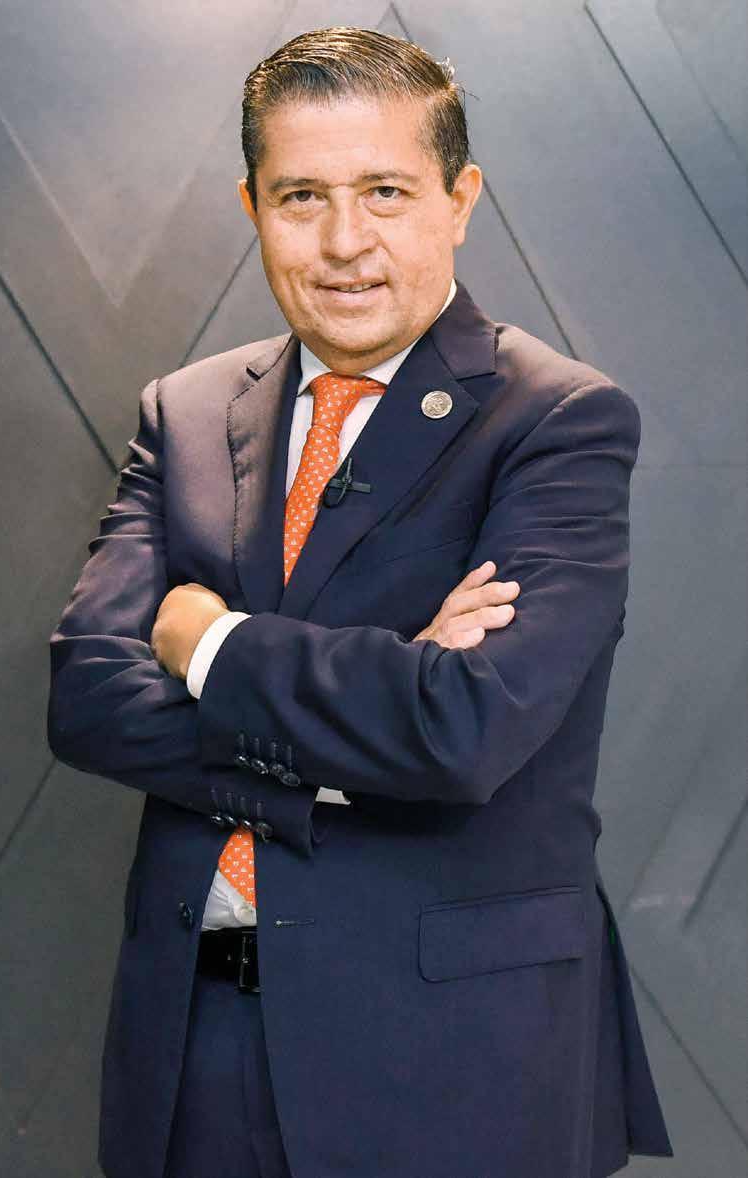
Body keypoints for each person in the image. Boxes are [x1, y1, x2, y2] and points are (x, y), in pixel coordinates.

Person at [47, 26, 673, 1178]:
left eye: (385, 191)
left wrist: (208, 641)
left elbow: (461, 728)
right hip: (198, 1044)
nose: (344, 242)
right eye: (302, 197)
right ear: (252, 206)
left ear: (459, 199)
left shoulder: (559, 421)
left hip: (451, 1060)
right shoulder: (185, 411)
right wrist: (356, 726)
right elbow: (88, 697)